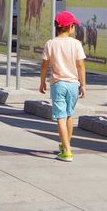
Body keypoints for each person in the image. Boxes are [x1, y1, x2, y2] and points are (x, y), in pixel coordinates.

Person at [39, 10, 86, 162]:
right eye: (74, 26)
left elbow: (44, 66)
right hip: (73, 84)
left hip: (58, 84)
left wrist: (42, 82)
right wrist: (83, 85)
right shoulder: (76, 44)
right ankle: (66, 144)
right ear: (70, 26)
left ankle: (66, 150)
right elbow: (80, 66)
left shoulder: (50, 44)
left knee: (60, 116)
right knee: (69, 114)